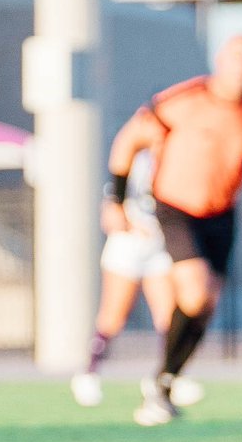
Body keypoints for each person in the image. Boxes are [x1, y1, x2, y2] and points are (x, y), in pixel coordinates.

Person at [105, 35, 242, 426]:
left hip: (221, 213)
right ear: (220, 59)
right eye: (236, 56)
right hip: (175, 206)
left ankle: (163, 382)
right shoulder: (182, 100)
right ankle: (161, 380)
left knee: (206, 304)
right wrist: (115, 200)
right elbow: (128, 142)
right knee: (196, 292)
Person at [70, 150, 204, 408]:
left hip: (160, 244)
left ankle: (168, 376)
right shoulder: (136, 159)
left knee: (168, 315)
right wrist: (132, 225)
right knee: (114, 316)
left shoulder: (178, 160)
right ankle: (89, 373)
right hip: (129, 245)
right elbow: (112, 212)